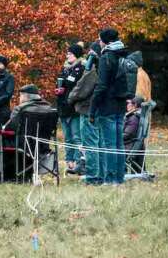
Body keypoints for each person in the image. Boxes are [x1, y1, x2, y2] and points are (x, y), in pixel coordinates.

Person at [90, 28, 132, 186]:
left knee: (109, 145)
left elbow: (101, 86)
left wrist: (93, 109)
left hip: (107, 106)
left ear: (106, 41)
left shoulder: (107, 57)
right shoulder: (123, 54)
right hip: (120, 105)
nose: (99, 42)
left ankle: (110, 180)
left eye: (100, 39)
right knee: (118, 143)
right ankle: (119, 178)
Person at [69, 41, 100, 180]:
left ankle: (92, 174)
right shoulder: (104, 67)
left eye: (91, 53)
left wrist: (71, 97)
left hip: (88, 109)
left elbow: (82, 88)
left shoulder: (93, 69)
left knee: (89, 142)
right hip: (96, 109)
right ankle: (97, 170)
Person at [55, 43, 85, 175]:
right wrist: (59, 88)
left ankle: (79, 162)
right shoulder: (65, 68)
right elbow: (61, 81)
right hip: (63, 107)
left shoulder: (81, 67)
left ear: (77, 55)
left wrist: (65, 84)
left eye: (70, 54)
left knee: (77, 136)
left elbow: (73, 82)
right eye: (67, 53)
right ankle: (69, 162)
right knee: (67, 137)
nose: (67, 56)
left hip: (74, 108)